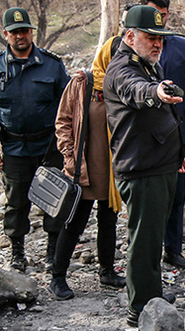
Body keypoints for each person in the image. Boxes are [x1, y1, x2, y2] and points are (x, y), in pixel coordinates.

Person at [102, 5, 183, 330]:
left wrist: (179, 154)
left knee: (152, 238)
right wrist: (156, 92)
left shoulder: (147, 63)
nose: (157, 44)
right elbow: (137, 91)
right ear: (130, 36)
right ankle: (139, 311)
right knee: (143, 242)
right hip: (141, 169)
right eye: (151, 37)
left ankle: (153, 296)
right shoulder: (121, 68)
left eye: (160, 39)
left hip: (160, 164)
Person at [0, 7, 69, 272]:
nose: (21, 36)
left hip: (48, 145)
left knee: (54, 198)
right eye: (15, 32)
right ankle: (17, 251)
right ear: (6, 34)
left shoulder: (52, 64)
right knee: (16, 202)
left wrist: (69, 143)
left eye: (25, 31)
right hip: (14, 147)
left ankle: (52, 251)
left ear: (32, 32)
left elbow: (67, 106)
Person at [140, 0, 185, 269]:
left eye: (163, 16)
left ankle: (174, 249)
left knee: (178, 195)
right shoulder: (132, 46)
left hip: (178, 132)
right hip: (146, 134)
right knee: (153, 197)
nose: (160, 21)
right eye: (154, 15)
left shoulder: (182, 46)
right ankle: (149, 253)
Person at [48, 70, 126, 300]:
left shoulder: (122, 84)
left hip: (111, 170)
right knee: (74, 223)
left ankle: (107, 272)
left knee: (108, 221)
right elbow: (63, 120)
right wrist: (69, 156)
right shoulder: (83, 83)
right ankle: (57, 277)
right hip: (83, 168)